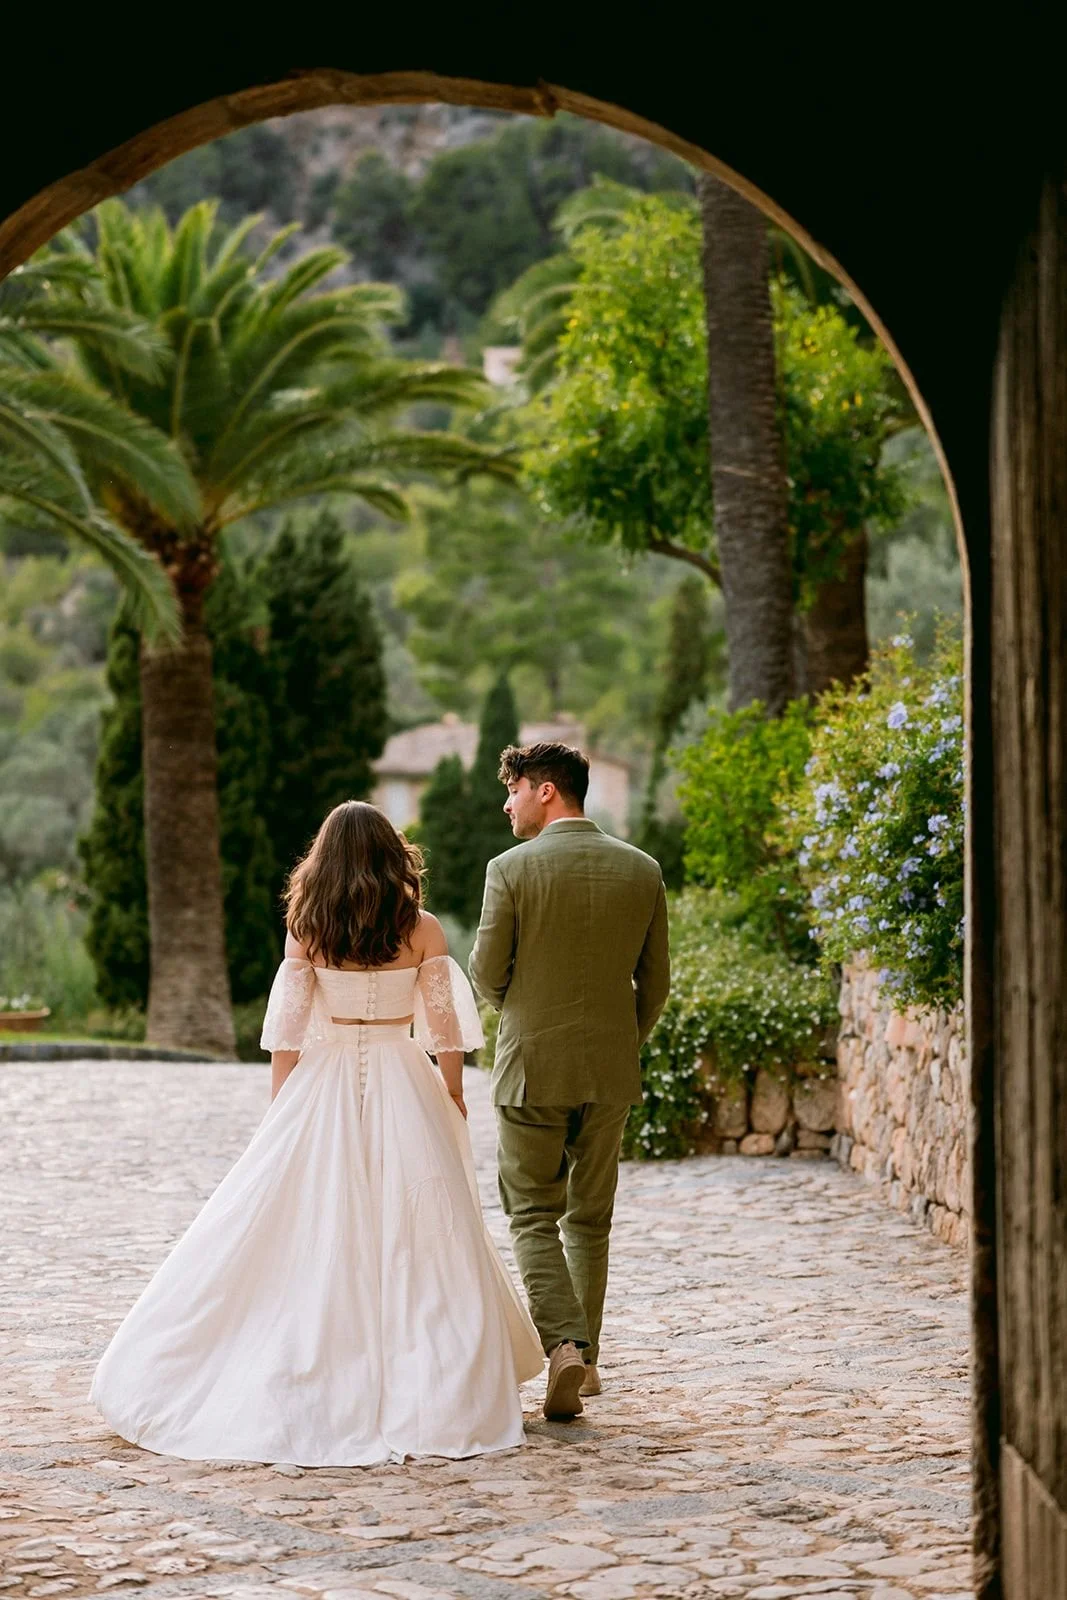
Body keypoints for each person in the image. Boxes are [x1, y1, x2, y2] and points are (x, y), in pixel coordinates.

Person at [91, 801, 543, 1467]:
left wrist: (284, 1108)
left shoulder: (306, 928)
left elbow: (289, 1033)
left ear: (322, 860)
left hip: (322, 1082)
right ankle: (433, 1378)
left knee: (309, 1219)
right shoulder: (421, 930)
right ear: (394, 857)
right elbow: (446, 1031)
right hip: (402, 1075)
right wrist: (450, 1092)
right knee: (419, 1223)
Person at [469, 742, 670, 1422]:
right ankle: (588, 1365)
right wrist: (619, 1040)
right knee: (591, 1217)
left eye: (514, 789)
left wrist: (523, 1015)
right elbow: (657, 982)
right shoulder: (641, 870)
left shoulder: (509, 870)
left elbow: (485, 971)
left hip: (531, 1066)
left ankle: (564, 1345)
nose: (507, 803)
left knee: (531, 1212)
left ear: (546, 790)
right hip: (610, 1067)